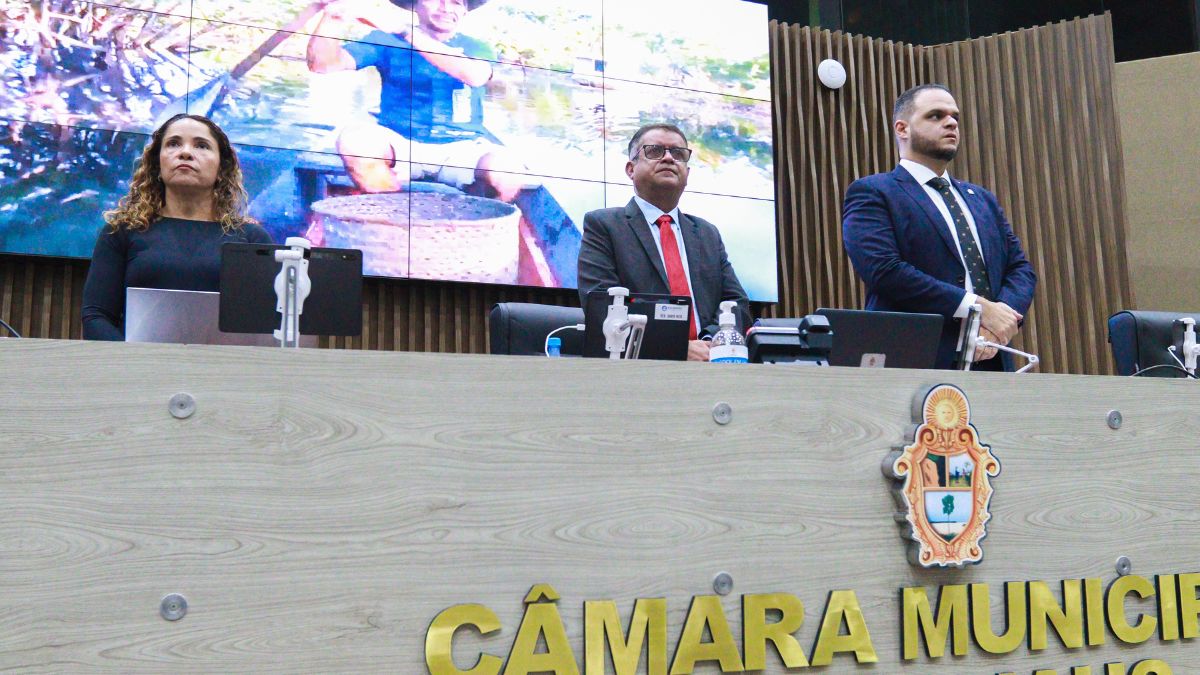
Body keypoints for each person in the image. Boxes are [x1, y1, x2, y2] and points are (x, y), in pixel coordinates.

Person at [841, 84, 1036, 371]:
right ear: (902, 129)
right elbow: (884, 270)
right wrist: (977, 308)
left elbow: (1020, 269)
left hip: (990, 356)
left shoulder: (982, 199)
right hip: (912, 360)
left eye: (955, 117)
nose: (951, 123)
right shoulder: (874, 192)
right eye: (935, 115)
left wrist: (999, 323)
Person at [306, 0, 530, 201]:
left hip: (464, 145)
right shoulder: (386, 40)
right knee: (355, 142)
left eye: (456, 2)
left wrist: (405, 31)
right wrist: (333, 16)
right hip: (400, 140)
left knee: (507, 172)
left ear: (464, 11)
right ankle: (392, 210)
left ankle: (477, 217)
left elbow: (475, 76)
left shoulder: (477, 47)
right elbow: (323, 65)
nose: (446, 8)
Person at [81, 113, 273, 340]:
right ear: (157, 163)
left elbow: (268, 325)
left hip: (226, 362)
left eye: (201, 145)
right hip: (137, 362)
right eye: (173, 143)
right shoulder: (121, 231)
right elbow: (96, 316)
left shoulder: (252, 239)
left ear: (222, 166)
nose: (185, 153)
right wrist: (133, 359)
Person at [577, 123, 751, 362]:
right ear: (630, 169)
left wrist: (711, 342)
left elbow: (736, 303)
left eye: (678, 153)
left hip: (712, 364)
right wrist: (676, 347)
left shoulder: (707, 234)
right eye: (655, 151)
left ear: (687, 172)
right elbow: (602, 307)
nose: (668, 158)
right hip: (640, 368)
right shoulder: (604, 225)